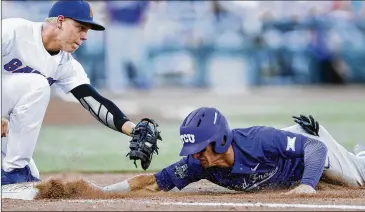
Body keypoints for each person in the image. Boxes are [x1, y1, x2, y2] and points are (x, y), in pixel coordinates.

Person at [1, 0, 161, 186]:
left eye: (87, 30)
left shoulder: (65, 64)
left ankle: (14, 172)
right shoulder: (12, 31)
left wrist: (132, 129)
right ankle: (15, 170)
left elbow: (93, 101)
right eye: (80, 27)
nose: (84, 36)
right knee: (38, 84)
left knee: (28, 179)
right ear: (60, 21)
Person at [86, 107, 365, 195]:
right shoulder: (199, 165)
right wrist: (100, 192)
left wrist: (307, 185)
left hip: (309, 145)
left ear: (220, 142)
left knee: (358, 179)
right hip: (295, 154)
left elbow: (314, 148)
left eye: (199, 148)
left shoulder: (259, 141)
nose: (194, 155)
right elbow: (154, 183)